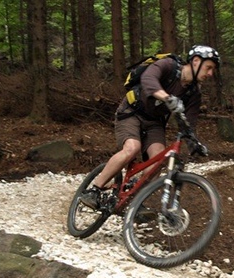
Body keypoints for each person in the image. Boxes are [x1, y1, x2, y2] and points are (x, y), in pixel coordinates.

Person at [79, 45, 221, 209]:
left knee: (159, 161)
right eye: (209, 67)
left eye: (213, 70)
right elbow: (148, 80)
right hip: (131, 112)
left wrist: (194, 143)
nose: (210, 74)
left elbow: (189, 123)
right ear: (196, 61)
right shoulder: (168, 65)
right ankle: (94, 190)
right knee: (132, 148)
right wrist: (167, 97)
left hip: (155, 122)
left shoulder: (193, 93)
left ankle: (135, 200)